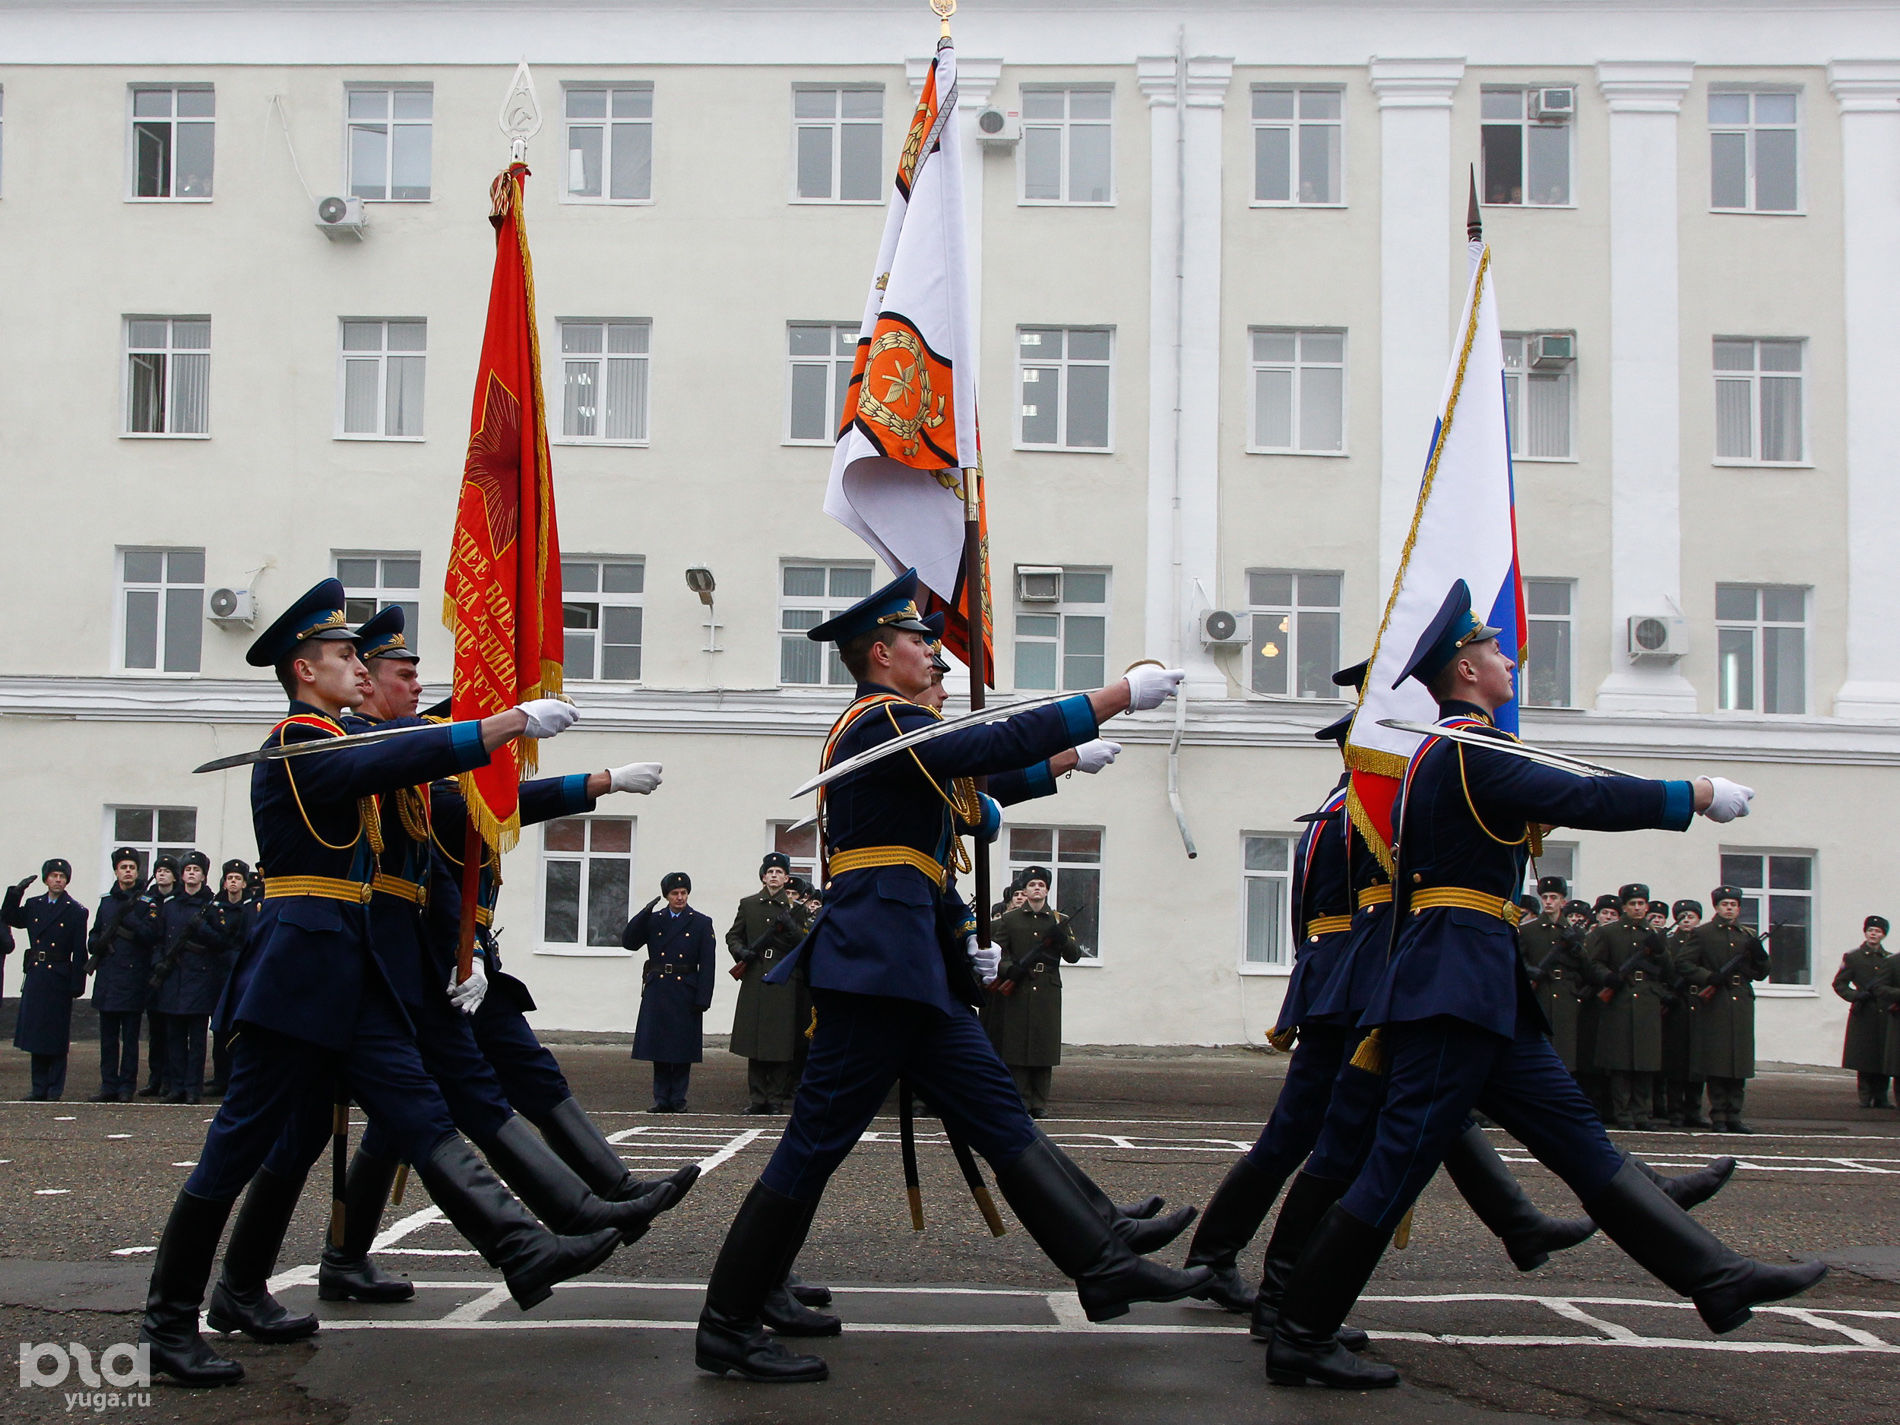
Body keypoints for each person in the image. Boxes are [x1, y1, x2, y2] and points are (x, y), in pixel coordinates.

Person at [1263, 578, 1822, 1391]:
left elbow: (1557, 791)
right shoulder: (1464, 749)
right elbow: (1583, 789)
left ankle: (1717, 1278)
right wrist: (1692, 794)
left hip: (1476, 984)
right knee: (1396, 1164)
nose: (1507, 658)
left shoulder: (1450, 754)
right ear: (1464, 672)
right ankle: (1301, 1330)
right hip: (1452, 985)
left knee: (1580, 1143)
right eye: (1492, 651)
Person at [694, 568, 1208, 1384]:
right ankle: (726, 1321)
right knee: (813, 1145)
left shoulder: (896, 731)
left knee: (998, 1113)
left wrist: (1067, 757)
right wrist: (1113, 695)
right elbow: (982, 749)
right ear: (879, 654)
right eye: (920, 643)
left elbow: (974, 784)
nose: (937, 657)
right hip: (875, 969)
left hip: (907, 968)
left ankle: (1103, 1257)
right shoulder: (880, 722)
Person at [138, 578, 629, 1387]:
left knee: (418, 1108)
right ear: (305, 668)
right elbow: (398, 752)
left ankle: (522, 1247)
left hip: (353, 965)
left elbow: (410, 768)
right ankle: (167, 1321)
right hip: (297, 972)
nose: (357, 669)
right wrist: (500, 724)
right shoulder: (303, 739)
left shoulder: (338, 735)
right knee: (240, 1146)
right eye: (342, 657)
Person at [296, 607, 685, 1316]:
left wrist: (468, 944)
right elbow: (464, 810)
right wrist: (584, 774)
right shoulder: (371, 753)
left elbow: (458, 848)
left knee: (428, 1104)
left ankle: (571, 1210)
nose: (411, 684)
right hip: (372, 957)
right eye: (401, 674)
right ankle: (257, 1280)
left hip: (432, 955)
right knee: (292, 1133)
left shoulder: (407, 761)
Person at [986, 865, 1083, 1118]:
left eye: (1041, 884)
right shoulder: (1010, 919)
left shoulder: (1059, 920)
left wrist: (1063, 939)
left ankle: (1039, 1102)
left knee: (1044, 1044)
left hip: (1047, 988)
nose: (1036, 888)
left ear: (1047, 889)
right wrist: (1009, 970)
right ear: (1025, 891)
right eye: (1032, 885)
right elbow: (998, 953)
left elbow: (1074, 956)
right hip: (1019, 986)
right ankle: (1020, 1099)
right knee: (1017, 1044)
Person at [1679, 887, 1770, 1133]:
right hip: (1716, 1000)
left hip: (1741, 1000)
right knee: (1718, 1059)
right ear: (1716, 907)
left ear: (1739, 908)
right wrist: (1709, 977)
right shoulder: (1703, 934)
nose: (1729, 908)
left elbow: (1761, 973)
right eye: (1724, 904)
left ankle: (1734, 1114)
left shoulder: (1747, 935)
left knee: (1738, 1060)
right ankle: (1718, 1114)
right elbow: (1684, 963)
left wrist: (1760, 956)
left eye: (1733, 904)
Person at [628, 872, 719, 1113]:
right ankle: (661, 1098)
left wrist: (703, 997)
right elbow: (629, 941)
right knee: (659, 1047)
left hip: (685, 988)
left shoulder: (700, 922)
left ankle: (678, 1098)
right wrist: (644, 913)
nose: (680, 897)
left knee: (681, 1048)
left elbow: (708, 963)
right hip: (659, 987)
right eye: (674, 894)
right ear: (666, 896)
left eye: (683, 893)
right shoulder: (655, 919)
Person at [1584, 883, 1671, 1130]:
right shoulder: (1608, 933)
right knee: (1620, 1060)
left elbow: (1668, 970)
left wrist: (1660, 950)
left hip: (1647, 1001)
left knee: (1645, 1061)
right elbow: (1594, 963)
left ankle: (1642, 1113)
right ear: (1624, 907)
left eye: (1641, 904)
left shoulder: (1654, 935)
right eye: (1632, 904)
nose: (1637, 908)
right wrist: (1608, 977)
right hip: (1620, 1000)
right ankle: (1623, 1113)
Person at [726, 853, 807, 1114]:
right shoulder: (748, 904)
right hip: (756, 974)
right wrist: (741, 953)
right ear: (763, 876)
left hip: (783, 976)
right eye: (770, 871)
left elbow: (803, 944)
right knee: (756, 1039)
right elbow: (733, 936)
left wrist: (790, 926)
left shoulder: (796, 909)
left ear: (786, 878)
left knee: (780, 1040)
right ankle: (757, 1097)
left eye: (779, 872)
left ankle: (775, 1098)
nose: (774, 875)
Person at [148, 851, 231, 1104]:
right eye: (188, 870)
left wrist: (201, 928)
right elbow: (159, 939)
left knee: (196, 1040)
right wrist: (158, 964)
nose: (191, 873)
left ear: (204, 876)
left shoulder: (214, 906)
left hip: (200, 977)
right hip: (173, 976)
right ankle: (176, 1086)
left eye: (196, 870)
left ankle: (193, 1088)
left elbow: (221, 942)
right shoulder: (171, 904)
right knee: (173, 1036)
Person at [3, 859, 90, 1100]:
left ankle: (54, 1088)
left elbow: (79, 950)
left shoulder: (75, 910)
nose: (58, 880)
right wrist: (15, 892)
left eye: (62, 876)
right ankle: (38, 1087)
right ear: (46, 879)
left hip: (59, 974)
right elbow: (9, 916)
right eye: (54, 876)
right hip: (37, 973)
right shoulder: (34, 905)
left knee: (56, 1034)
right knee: (36, 1032)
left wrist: (77, 983)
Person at [87, 847, 154, 1102]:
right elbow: (95, 932)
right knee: (108, 1039)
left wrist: (133, 920)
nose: (128, 872)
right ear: (116, 871)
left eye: (132, 868)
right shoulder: (106, 902)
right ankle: (108, 1085)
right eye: (123, 867)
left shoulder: (146, 902)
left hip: (133, 978)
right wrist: (95, 944)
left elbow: (151, 936)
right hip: (108, 978)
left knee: (130, 1040)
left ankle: (127, 1085)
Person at [1519, 875, 1590, 1076]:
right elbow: (1517, 961)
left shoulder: (1572, 931)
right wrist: (1530, 971)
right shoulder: (1528, 931)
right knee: (1539, 1051)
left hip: (1566, 995)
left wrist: (1577, 948)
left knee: (1565, 1053)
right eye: (1545, 897)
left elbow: (1587, 969)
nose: (1549, 902)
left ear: (1563, 901)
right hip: (1539, 993)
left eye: (1554, 897)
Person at [206, 861, 253, 1096]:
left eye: (237, 878)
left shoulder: (250, 909)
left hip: (240, 974)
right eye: (229, 878)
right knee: (219, 1028)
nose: (233, 882)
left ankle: (236, 1077)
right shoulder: (215, 907)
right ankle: (219, 1076)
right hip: (218, 974)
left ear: (244, 883)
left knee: (237, 1029)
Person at [1834, 916, 1892, 1108]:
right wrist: (1856, 996)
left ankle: (1881, 1097)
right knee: (1864, 1055)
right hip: (1864, 1012)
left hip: (1884, 1012)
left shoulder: (1889, 959)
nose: (1873, 934)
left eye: (1878, 931)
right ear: (1865, 933)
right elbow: (1840, 984)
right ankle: (1865, 1097)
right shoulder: (1853, 957)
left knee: (1883, 1055)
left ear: (1883, 935)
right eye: (1871, 930)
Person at [135, 856, 180, 1097]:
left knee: (172, 1029)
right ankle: (156, 1077)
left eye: (166, 871)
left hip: (173, 970)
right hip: (151, 968)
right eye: (158, 871)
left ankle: (171, 1079)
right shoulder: (148, 899)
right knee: (155, 1031)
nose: (162, 875)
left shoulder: (179, 900)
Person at [1661, 899, 1708, 1127]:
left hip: (1699, 1003)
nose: (1688, 920)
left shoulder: (1705, 942)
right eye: (1683, 916)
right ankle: (1675, 1111)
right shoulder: (1670, 943)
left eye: (1692, 916)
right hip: (1676, 1005)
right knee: (1676, 1060)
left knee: (1697, 1060)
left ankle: (1694, 1110)